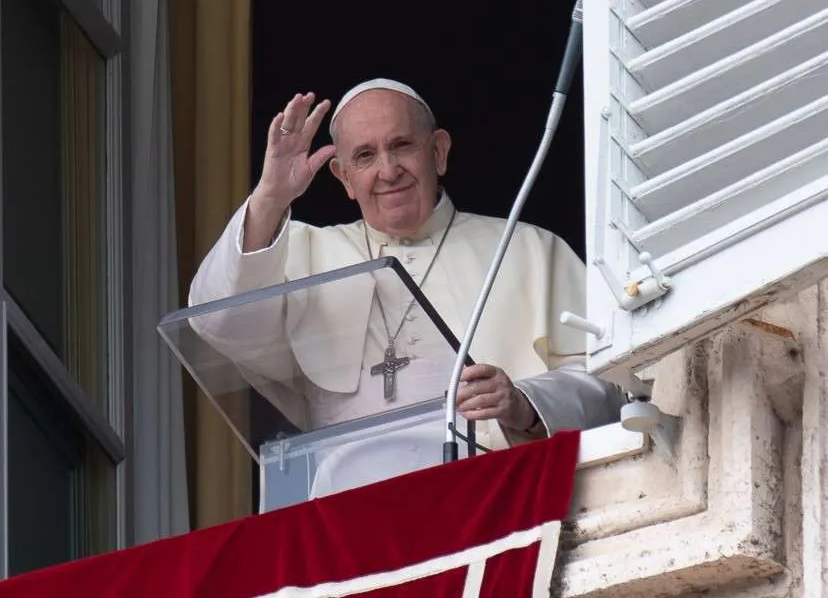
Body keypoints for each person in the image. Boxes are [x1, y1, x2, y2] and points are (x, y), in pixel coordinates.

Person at [188, 78, 623, 466]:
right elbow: (216, 321)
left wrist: (525, 404)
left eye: (401, 146)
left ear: (438, 151)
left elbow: (613, 386)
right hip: (347, 507)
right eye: (364, 156)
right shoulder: (299, 252)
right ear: (342, 176)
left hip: (493, 495)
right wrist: (269, 197)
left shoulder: (530, 249)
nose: (388, 170)